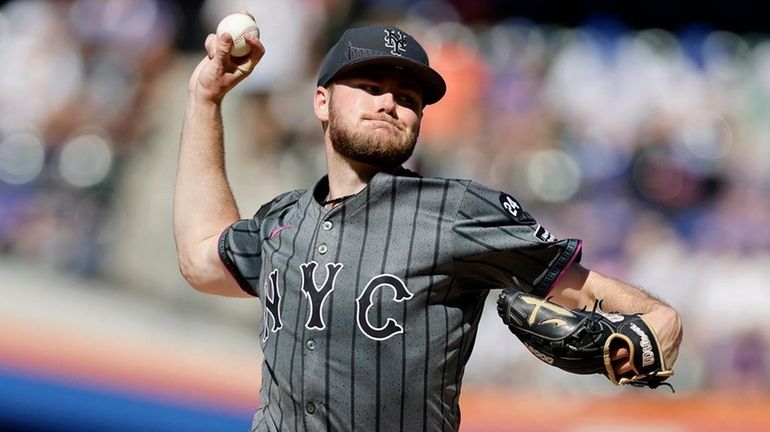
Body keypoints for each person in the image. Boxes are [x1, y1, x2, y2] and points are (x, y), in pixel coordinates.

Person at [174, 23, 683, 432]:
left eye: (408, 97)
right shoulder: (283, 219)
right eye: (371, 87)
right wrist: (205, 98)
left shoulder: (459, 210)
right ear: (322, 102)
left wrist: (660, 319)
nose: (390, 103)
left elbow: (588, 289)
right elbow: (201, 258)